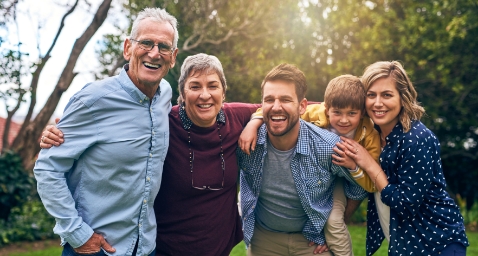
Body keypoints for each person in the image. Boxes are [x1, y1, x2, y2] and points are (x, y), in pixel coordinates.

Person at [40, 53, 261, 255]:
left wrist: (255, 121)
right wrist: (64, 133)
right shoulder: (164, 123)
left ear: (224, 92)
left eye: (213, 86)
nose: (205, 95)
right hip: (164, 249)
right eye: (195, 86)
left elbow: (274, 107)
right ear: (182, 93)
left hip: (219, 249)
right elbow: (119, 127)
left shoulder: (237, 116)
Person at [34, 8, 179, 256]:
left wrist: (257, 116)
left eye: (163, 46)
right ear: (127, 48)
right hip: (95, 249)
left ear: (173, 56)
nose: (154, 53)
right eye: (146, 42)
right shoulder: (93, 100)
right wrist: (77, 234)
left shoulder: (165, 94)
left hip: (145, 247)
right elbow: (48, 169)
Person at [335, 61, 469, 255]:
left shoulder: (416, 138)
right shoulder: (371, 136)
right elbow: (329, 106)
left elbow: (405, 203)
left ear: (402, 98)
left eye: (387, 95)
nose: (377, 103)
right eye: (371, 95)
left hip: (436, 242)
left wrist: (369, 165)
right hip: (405, 243)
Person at [240, 74, 381, 256]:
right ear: (327, 109)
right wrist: (253, 123)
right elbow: (272, 112)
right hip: (264, 238)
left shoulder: (360, 137)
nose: (344, 120)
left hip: (315, 233)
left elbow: (365, 185)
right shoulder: (248, 140)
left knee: (334, 222)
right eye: (337, 112)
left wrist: (354, 166)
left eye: (351, 114)